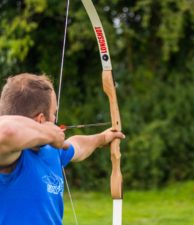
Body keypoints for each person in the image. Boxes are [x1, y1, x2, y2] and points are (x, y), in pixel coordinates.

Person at [0, 73, 125, 225]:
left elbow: (77, 146)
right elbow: (6, 131)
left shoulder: (51, 150)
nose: (55, 119)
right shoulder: (10, 156)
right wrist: (48, 133)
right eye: (54, 113)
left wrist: (102, 138)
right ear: (41, 119)